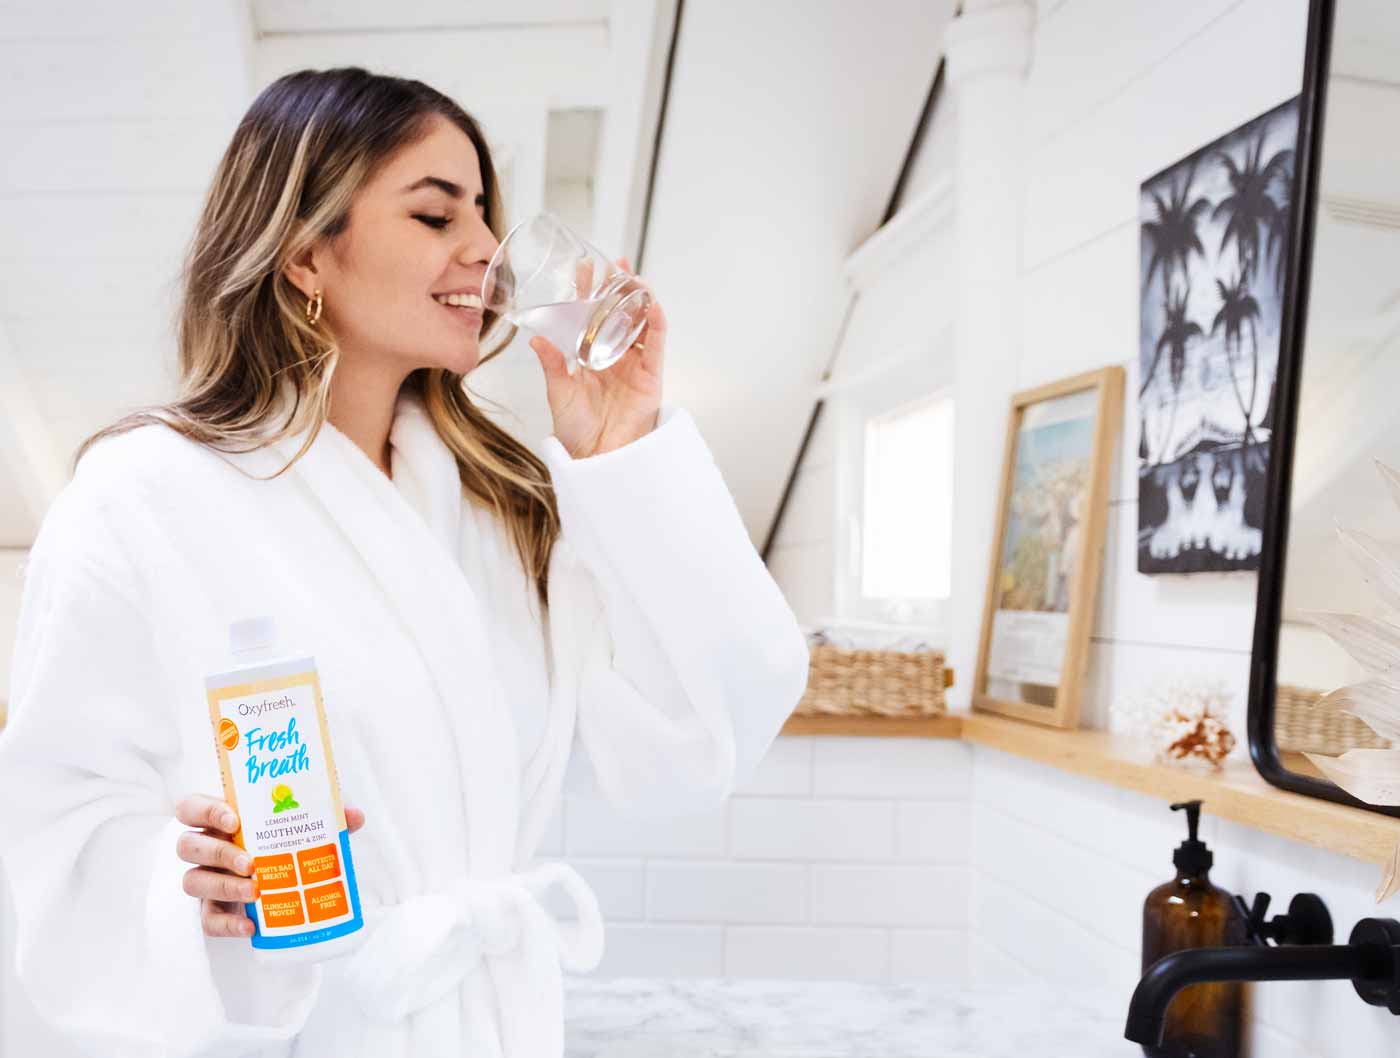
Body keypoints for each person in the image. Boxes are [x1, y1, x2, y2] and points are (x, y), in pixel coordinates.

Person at [0, 67, 810, 1058]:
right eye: (434, 215)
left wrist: (619, 447)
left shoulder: (496, 504)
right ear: (303, 252)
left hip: (490, 1024)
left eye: (483, 211)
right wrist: (197, 883)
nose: (484, 248)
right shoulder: (140, 498)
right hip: (299, 1025)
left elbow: (688, 741)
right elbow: (52, 829)